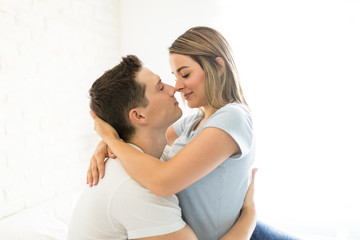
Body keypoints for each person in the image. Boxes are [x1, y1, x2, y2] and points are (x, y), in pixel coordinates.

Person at [88, 27, 298, 240]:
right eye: (175, 76)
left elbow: (163, 182)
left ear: (217, 66)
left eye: (185, 74)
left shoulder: (233, 117)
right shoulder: (193, 122)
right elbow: (144, 139)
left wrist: (112, 139)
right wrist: (108, 143)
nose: (177, 86)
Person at [68, 55, 257, 240]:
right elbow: (160, 182)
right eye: (160, 87)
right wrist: (249, 215)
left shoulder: (156, 159)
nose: (173, 88)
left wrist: (110, 140)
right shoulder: (138, 186)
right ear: (140, 116)